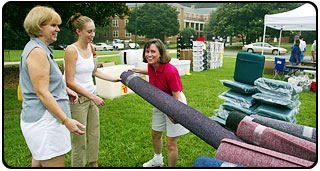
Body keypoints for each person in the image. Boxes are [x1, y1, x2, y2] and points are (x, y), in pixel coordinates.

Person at [20, 6, 85, 167]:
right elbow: (42, 93)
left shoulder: (40, 48)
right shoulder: (37, 52)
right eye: (53, 25)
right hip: (45, 121)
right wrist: (66, 120)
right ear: (38, 26)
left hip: (43, 119)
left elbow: (46, 83)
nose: (57, 29)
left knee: (39, 160)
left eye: (58, 25)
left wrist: (65, 90)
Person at [64, 13, 121, 167]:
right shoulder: (71, 50)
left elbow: (94, 71)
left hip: (91, 96)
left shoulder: (91, 47)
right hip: (78, 100)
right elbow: (69, 81)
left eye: (93, 31)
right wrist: (92, 96)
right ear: (78, 32)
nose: (92, 35)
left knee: (94, 133)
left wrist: (113, 78)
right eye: (89, 31)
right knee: (79, 139)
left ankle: (93, 164)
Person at [130, 39, 190, 167]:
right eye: (147, 51)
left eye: (153, 51)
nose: (149, 54)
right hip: (159, 103)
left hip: (175, 104)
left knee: (171, 143)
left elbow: (177, 96)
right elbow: (150, 71)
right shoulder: (151, 66)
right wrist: (134, 69)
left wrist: (175, 114)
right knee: (155, 134)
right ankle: (157, 159)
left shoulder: (170, 71)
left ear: (161, 54)